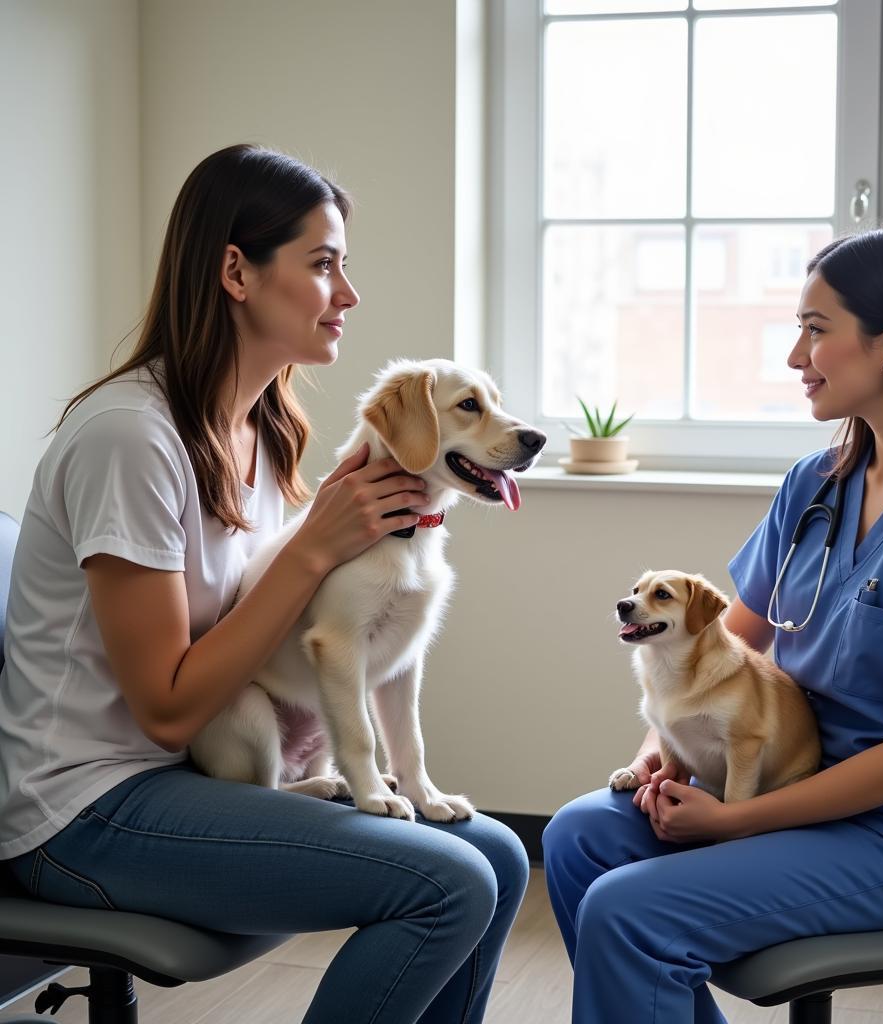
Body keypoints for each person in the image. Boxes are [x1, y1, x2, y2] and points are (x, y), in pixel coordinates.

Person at [0, 143, 528, 1024]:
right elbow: (168, 707)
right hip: (85, 809)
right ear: (236, 272)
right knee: (447, 884)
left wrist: (334, 545)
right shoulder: (131, 437)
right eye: (324, 266)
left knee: (502, 857)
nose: (348, 296)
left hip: (187, 768)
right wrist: (312, 552)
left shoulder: (258, 429)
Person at [543, 223, 883, 1023]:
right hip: (776, 778)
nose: (796, 358)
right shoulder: (814, 486)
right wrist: (661, 761)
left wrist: (734, 821)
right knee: (577, 839)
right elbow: (722, 646)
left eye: (814, 330)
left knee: (627, 911)